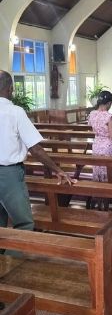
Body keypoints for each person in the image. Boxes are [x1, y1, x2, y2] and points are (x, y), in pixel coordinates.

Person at [0, 70, 74, 233]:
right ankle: (20, 250)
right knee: (24, 223)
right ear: (10, 89)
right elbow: (35, 148)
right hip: (8, 175)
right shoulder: (15, 112)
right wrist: (57, 170)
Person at [87, 90, 112, 210]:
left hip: (97, 145)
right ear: (109, 103)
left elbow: (92, 128)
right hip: (107, 146)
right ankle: (109, 195)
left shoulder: (92, 114)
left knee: (99, 170)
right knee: (110, 171)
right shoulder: (109, 117)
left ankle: (100, 196)